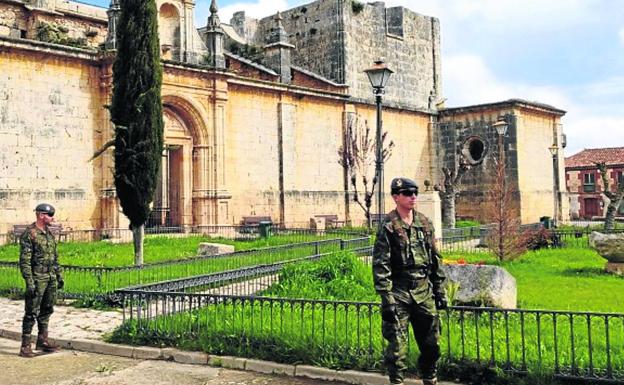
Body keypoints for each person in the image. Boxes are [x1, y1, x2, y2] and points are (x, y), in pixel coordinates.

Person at [372, 177, 447, 385]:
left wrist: (440, 292)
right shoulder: (388, 226)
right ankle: (397, 381)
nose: (413, 197)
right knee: (397, 350)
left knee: (432, 345)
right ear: (396, 197)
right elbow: (381, 265)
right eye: (407, 193)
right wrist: (387, 299)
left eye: (415, 193)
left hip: (423, 293)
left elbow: (435, 260)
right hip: (399, 294)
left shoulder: (424, 223)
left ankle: (430, 379)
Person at [18, 203, 63, 357]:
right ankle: (25, 346)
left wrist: (59, 275)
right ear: (41, 215)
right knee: (31, 312)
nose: (53, 218)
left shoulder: (49, 234)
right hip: (37, 278)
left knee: (47, 309)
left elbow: (54, 258)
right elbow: (25, 261)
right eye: (50, 215)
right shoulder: (30, 234)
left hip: (50, 277)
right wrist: (29, 281)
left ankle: (42, 340)